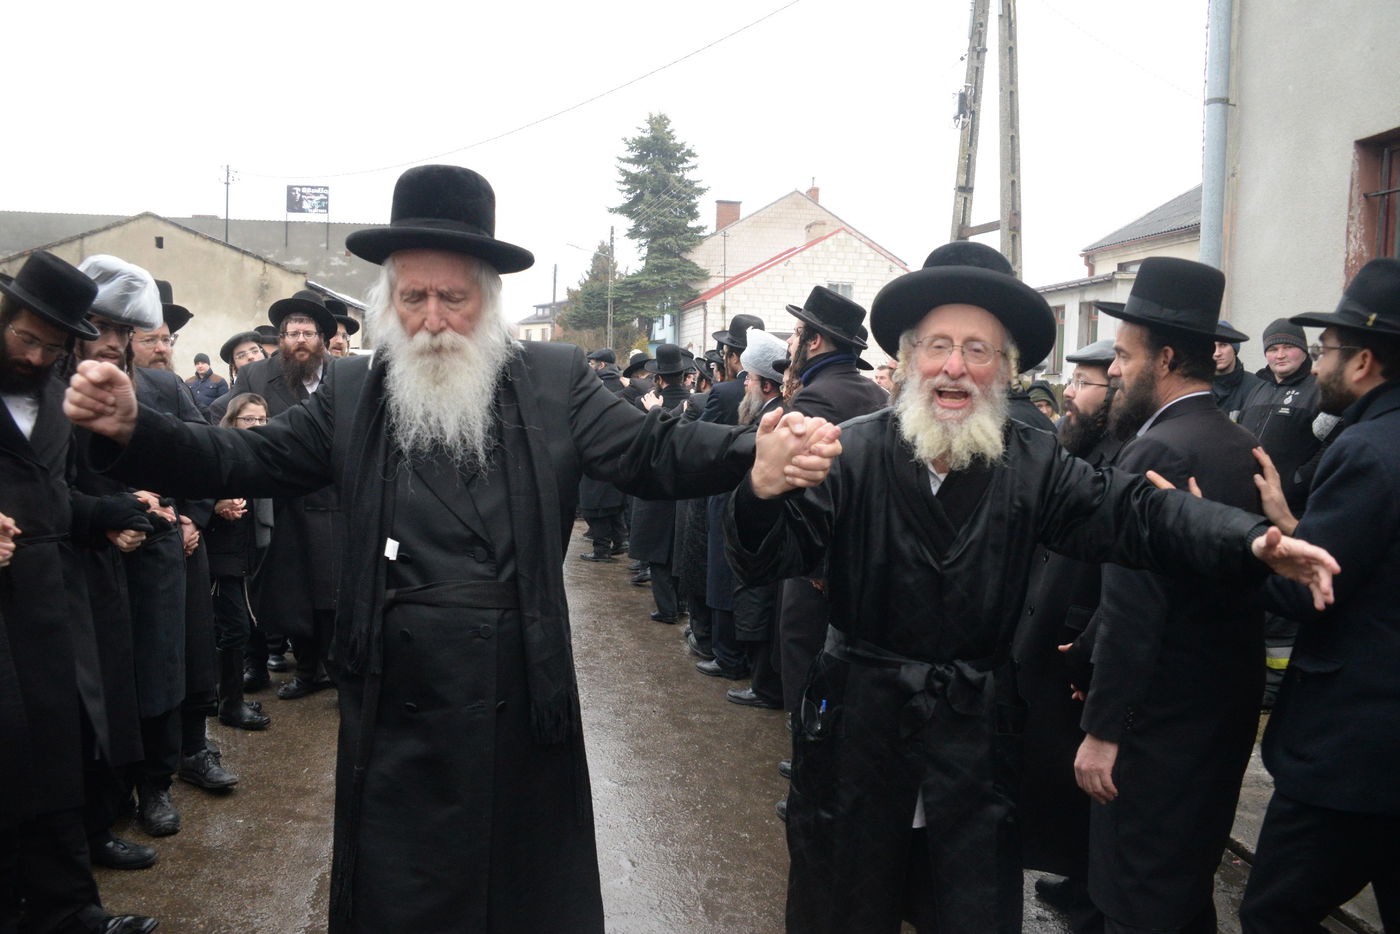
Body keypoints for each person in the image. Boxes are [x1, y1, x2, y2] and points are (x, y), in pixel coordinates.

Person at [63, 164, 829, 934]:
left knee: (514, 892)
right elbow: (244, 460)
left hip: (516, 686)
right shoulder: (355, 390)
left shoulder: (553, 380)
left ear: (489, 302)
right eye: (413, 298)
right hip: (395, 689)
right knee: (403, 894)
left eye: (453, 299)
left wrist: (748, 456)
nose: (432, 319)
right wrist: (136, 431)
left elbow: (654, 451)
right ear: (388, 303)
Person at [722, 244, 1338, 934]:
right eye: (939, 347)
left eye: (978, 350)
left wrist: (1250, 540)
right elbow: (764, 559)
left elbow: (1138, 511)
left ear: (1004, 371)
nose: (955, 367)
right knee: (840, 910)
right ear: (907, 359)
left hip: (971, 744)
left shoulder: (1033, 460)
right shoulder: (850, 451)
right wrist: (759, 493)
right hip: (857, 737)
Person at [1073, 261, 1265, 934]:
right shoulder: (1238, 441)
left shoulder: (1158, 452)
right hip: (1217, 718)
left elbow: (1137, 607)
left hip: (1160, 728)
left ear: (1169, 357)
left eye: (1125, 357)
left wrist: (1102, 731)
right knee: (1180, 889)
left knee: (1140, 899)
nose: (1115, 370)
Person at [1238, 258, 1400, 933]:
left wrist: (1242, 545)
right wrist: (1290, 523)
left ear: (1362, 362)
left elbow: (1317, 590)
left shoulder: (1365, 448)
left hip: (1354, 753)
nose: (1317, 362)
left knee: (1276, 914)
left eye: (1327, 349)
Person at [0, 250, 159, 934]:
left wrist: (113, 515)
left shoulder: (55, 398)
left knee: (54, 759)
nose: (36, 357)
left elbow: (57, 497)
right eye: (24, 338)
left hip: (47, 603)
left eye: (52, 346)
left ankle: (71, 911)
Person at [1013, 338, 1122, 921]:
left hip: (1080, 638)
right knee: (1058, 771)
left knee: (1080, 774)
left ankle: (1090, 894)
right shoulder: (1079, 447)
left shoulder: (1122, 456)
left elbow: (1124, 583)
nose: (1070, 395)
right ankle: (1078, 878)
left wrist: (1088, 651)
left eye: (1084, 383)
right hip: (1058, 629)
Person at [216, 290, 341, 701]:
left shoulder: (344, 376)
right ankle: (307, 670)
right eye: (290, 333)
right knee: (292, 593)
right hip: (283, 503)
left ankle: (335, 670)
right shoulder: (256, 378)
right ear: (281, 339)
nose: (299, 339)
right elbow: (227, 422)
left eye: (307, 332)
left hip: (334, 503)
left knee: (332, 593)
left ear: (322, 338)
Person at [725, 328, 790, 709]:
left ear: (766, 385)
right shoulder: (764, 409)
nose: (744, 383)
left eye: (749, 378)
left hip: (771, 529)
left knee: (764, 607)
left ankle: (765, 686)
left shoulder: (776, 415)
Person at [205, 393, 275, 731]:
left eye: (263, 419)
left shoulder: (256, 455)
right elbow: (195, 497)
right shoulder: (218, 454)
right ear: (233, 421)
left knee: (236, 630)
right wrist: (215, 506)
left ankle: (228, 697)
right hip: (220, 558)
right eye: (250, 419)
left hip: (242, 556)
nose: (258, 425)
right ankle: (229, 705)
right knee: (234, 631)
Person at [628, 344, 692, 624]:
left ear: (660, 378)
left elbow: (642, 445)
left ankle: (667, 608)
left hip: (657, 487)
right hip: (686, 488)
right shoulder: (694, 401)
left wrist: (651, 413)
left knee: (657, 552)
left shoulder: (648, 404)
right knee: (678, 548)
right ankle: (680, 604)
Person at [577, 349, 627, 562]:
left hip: (597, 452)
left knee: (595, 505)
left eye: (592, 362)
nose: (590, 366)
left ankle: (601, 550)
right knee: (613, 503)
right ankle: (619, 541)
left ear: (602, 365)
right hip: (620, 454)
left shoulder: (595, 387)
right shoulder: (626, 387)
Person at [1210, 323, 1263, 422]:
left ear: (1234, 349)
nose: (1217, 353)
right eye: (1212, 346)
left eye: (1223, 345)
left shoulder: (1255, 386)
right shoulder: (1196, 386)